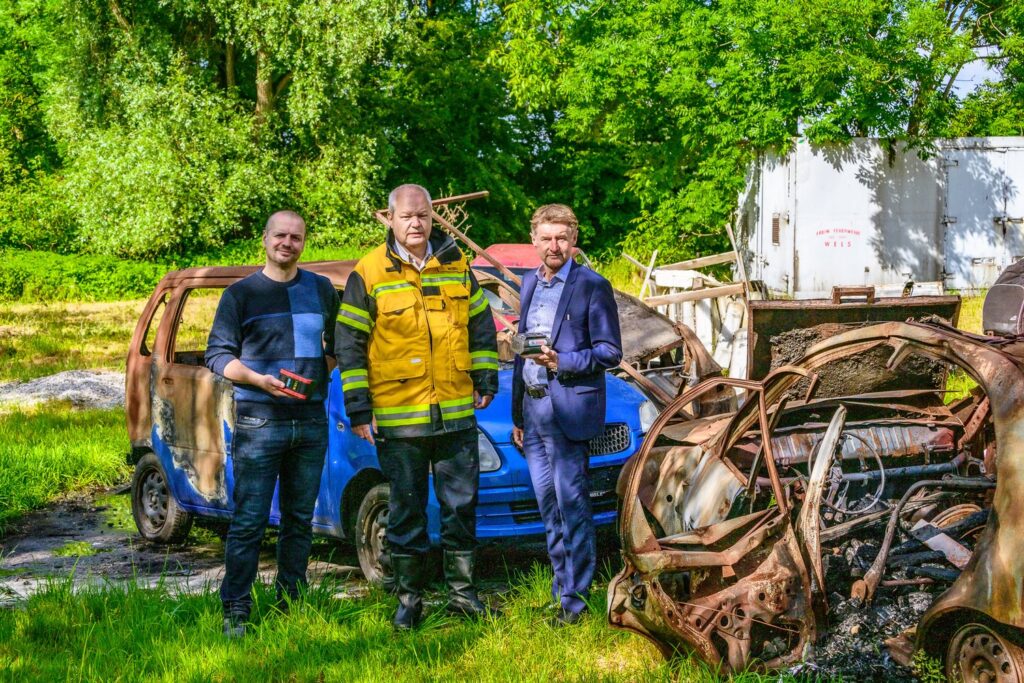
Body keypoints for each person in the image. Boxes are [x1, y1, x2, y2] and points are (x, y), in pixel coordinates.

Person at [336, 184, 499, 630]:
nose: (415, 223)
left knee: (461, 508)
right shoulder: (368, 272)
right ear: (389, 218)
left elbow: (481, 324)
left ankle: (464, 596)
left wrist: (486, 377)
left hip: (455, 417)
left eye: (423, 215)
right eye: (406, 216)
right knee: (406, 511)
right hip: (399, 418)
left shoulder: (455, 263)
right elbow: (348, 345)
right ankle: (410, 601)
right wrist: (358, 408)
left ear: (433, 218)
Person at [205, 210, 340, 638]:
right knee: (250, 520)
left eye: (296, 237)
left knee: (300, 521)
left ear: (304, 242)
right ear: (265, 239)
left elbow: (338, 346)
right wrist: (258, 380)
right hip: (259, 418)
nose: (288, 242)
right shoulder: (240, 295)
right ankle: (236, 611)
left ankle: (292, 603)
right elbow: (218, 356)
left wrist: (322, 372)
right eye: (280, 235)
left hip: (310, 419)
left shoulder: (320, 289)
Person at [511, 204, 623, 626]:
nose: (554, 245)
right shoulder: (527, 284)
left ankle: (576, 602)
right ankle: (562, 591)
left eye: (562, 237)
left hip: (569, 410)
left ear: (573, 240)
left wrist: (565, 360)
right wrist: (517, 414)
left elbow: (611, 352)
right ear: (534, 241)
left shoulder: (593, 286)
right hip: (534, 410)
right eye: (546, 237)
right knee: (548, 507)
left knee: (572, 505)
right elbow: (522, 356)